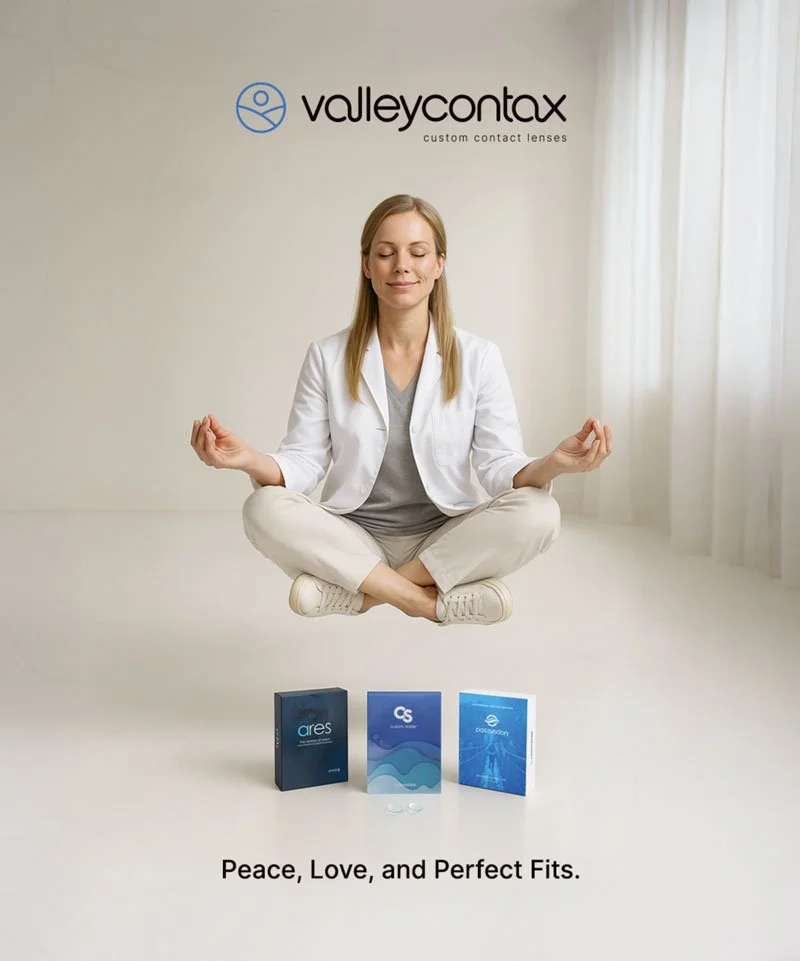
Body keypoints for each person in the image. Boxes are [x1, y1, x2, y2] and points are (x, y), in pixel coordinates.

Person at [189, 194, 612, 627]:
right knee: (262, 508)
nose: (401, 266)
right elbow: (304, 460)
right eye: (385, 253)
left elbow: (498, 465)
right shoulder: (327, 356)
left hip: (445, 535)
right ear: (366, 265)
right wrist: (248, 460)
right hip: (354, 536)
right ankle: (428, 603)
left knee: (540, 512)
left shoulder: (479, 357)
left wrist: (552, 466)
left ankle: (363, 593)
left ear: (439, 264)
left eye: (418, 252)